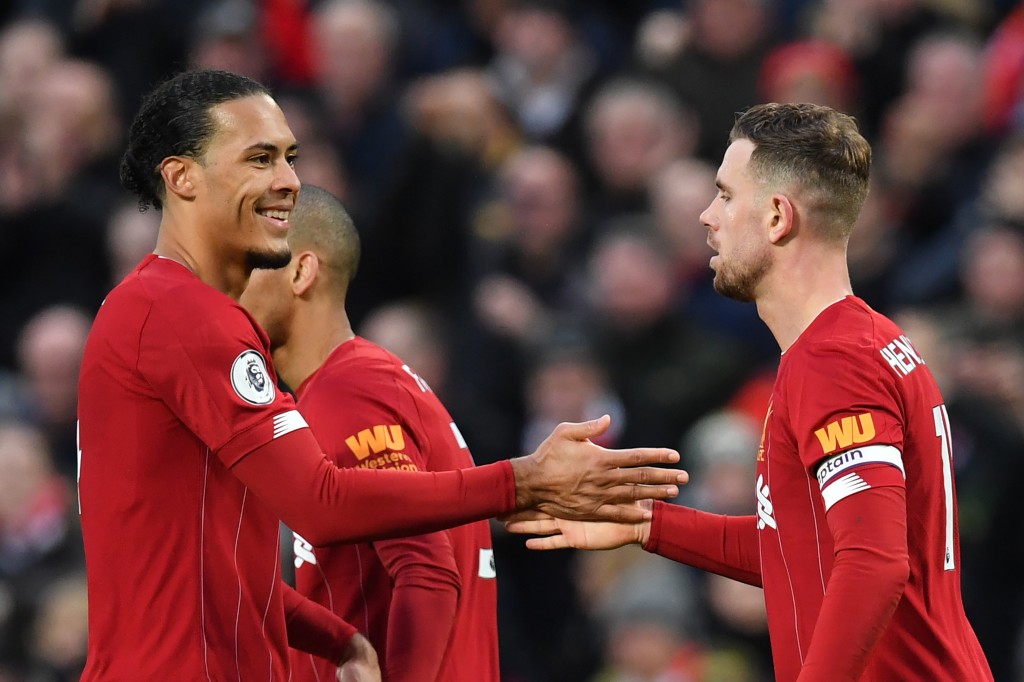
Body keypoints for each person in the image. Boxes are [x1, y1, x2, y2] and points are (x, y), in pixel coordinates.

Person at [76, 69, 686, 681]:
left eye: (290, 157)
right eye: (259, 159)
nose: (287, 181)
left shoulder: (161, 312)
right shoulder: (185, 314)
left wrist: (339, 640)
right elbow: (322, 504)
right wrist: (521, 481)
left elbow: (217, 567)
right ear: (182, 177)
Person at [508, 102, 994, 682]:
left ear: (776, 218)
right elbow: (805, 548)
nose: (707, 216)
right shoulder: (863, 341)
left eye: (726, 195)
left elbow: (872, 563)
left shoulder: (834, 360)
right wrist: (648, 524)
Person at [241, 185, 497, 681]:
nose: (227, 288)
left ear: (299, 272)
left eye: (246, 265)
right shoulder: (365, 382)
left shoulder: (349, 392)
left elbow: (427, 571)